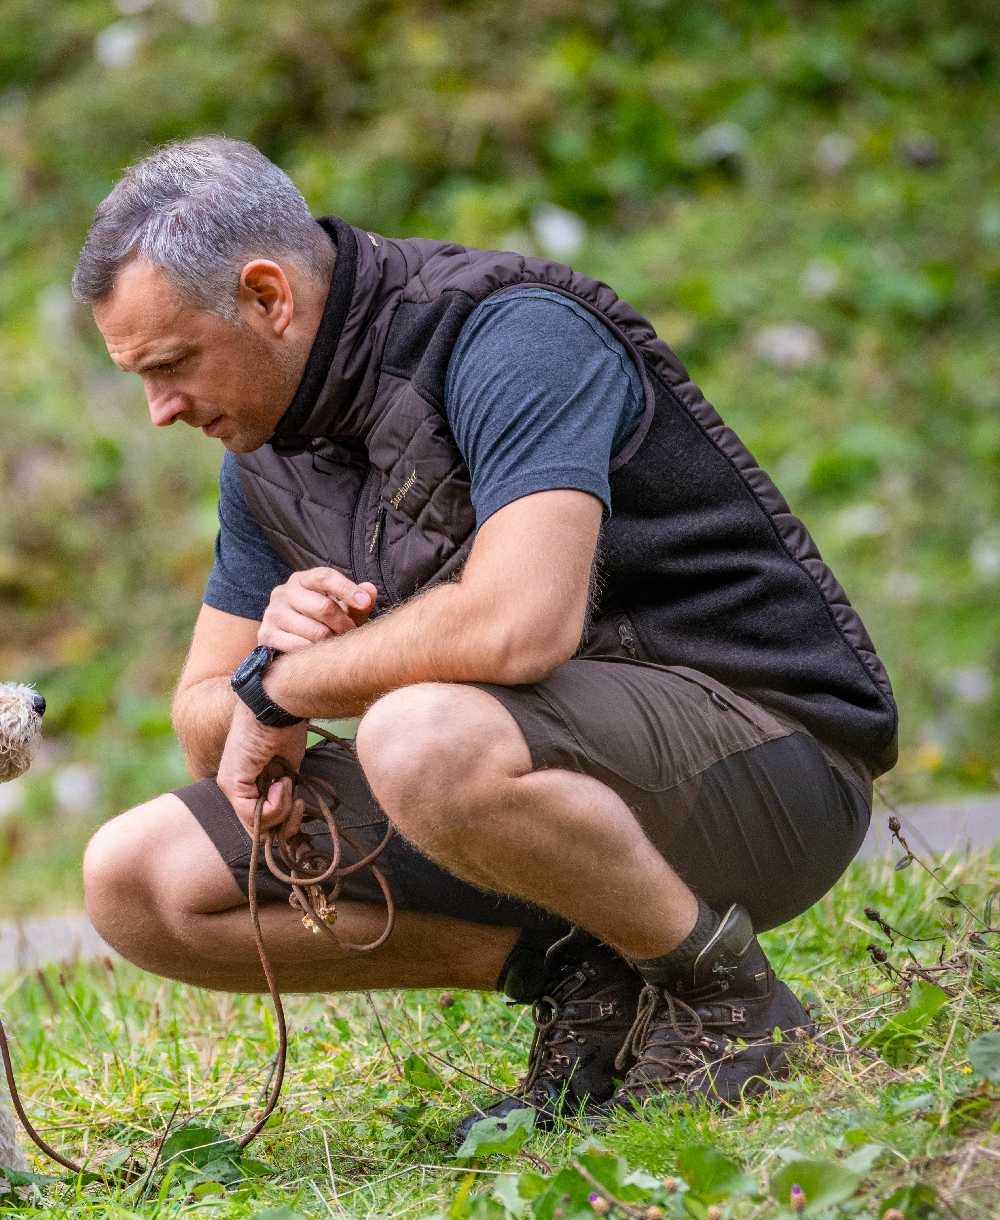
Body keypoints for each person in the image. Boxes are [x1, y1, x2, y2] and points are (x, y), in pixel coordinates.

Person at [75, 137, 897, 1138]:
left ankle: (724, 998)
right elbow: (210, 722)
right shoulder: (263, 450)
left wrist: (289, 681)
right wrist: (268, 669)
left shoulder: (509, 336)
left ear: (266, 296)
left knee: (419, 735)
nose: (160, 409)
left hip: (773, 761)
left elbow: (520, 624)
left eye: (170, 364)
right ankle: (588, 981)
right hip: (541, 787)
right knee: (137, 877)